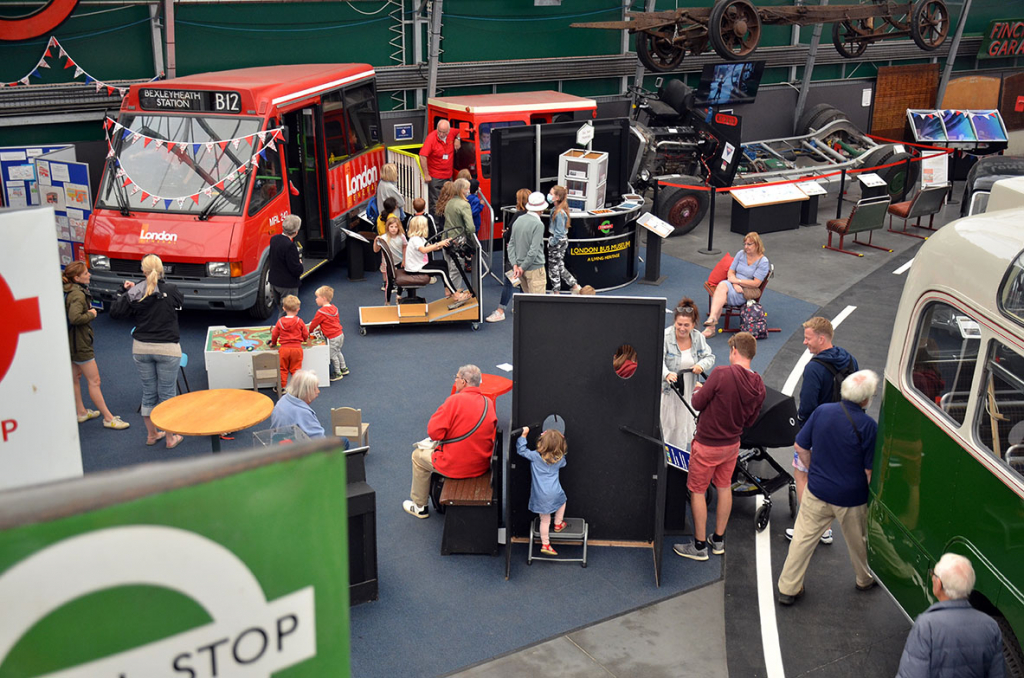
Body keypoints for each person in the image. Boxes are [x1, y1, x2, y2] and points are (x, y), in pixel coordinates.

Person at [777, 370, 880, 605]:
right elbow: (868, 471)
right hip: (850, 497)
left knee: (802, 539)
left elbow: (800, 446)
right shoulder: (868, 426)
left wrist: (813, 470)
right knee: (858, 542)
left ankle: (788, 587)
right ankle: (864, 579)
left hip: (817, 490)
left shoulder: (822, 412)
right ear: (866, 399)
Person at [674, 332, 765, 561]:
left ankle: (699, 545)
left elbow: (697, 402)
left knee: (697, 490)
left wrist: (699, 391)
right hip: (732, 445)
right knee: (724, 487)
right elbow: (751, 421)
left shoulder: (722, 374)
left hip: (707, 444)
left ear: (734, 350)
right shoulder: (758, 384)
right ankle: (718, 539)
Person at [787, 316, 860, 544]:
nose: (804, 343)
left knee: (803, 475)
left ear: (821, 338)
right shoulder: (850, 360)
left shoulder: (814, 368)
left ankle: (808, 527)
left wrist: (802, 432)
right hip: (845, 430)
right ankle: (827, 529)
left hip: (818, 432)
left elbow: (807, 404)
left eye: (808, 338)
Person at [109, 254, 185, 448]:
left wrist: (123, 291)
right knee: (167, 395)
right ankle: (170, 437)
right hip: (168, 349)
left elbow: (116, 312)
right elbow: (179, 302)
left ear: (142, 271)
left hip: (141, 348)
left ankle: (152, 435)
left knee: (149, 394)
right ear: (161, 270)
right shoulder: (171, 289)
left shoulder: (135, 292)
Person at [403, 364, 497, 519]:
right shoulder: (488, 402)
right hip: (481, 464)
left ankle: (419, 506)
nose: (455, 380)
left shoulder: (454, 401)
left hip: (456, 466)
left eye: (457, 378)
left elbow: (433, 432)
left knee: (418, 456)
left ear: (464, 382)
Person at [897, 553, 1005, 678]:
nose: (932, 577)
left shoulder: (926, 626)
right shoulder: (991, 626)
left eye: (934, 575)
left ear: (938, 584)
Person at [62, 262, 129, 431]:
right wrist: (91, 314)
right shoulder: (77, 295)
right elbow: (75, 318)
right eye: (85, 273)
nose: (89, 275)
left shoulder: (67, 290)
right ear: (76, 278)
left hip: (70, 343)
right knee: (94, 381)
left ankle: (82, 412)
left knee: (75, 378)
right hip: (81, 344)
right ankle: (108, 417)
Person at [662, 298, 715, 451]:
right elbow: (658, 359)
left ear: (693, 325)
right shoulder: (666, 337)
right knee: (667, 425)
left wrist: (700, 365)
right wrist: (667, 374)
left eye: (686, 325)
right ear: (674, 323)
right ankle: (664, 458)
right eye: (679, 324)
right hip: (668, 391)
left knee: (682, 425)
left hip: (688, 391)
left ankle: (679, 457)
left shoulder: (698, 337)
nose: (682, 328)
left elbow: (709, 357)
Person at [704, 232, 769, 338]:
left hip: (744, 292)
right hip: (733, 285)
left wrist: (737, 282)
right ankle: (712, 321)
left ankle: (711, 326)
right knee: (722, 285)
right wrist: (734, 284)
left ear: (757, 245)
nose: (746, 247)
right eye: (745, 244)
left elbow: (756, 283)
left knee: (721, 295)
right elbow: (730, 272)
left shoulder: (763, 262)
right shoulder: (741, 254)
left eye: (749, 244)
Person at [516, 426, 568, 556]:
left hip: (541, 495)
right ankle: (558, 523)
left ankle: (545, 544)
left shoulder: (535, 456)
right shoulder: (560, 459)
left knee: (545, 520)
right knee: (563, 501)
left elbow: (521, 451)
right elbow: (564, 463)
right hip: (556, 492)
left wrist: (523, 436)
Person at [486, 188, 531, 323]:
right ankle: (520, 306)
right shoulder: (532, 216)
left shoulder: (518, 215)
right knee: (522, 282)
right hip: (526, 254)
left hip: (515, 256)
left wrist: (505, 233)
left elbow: (508, 235)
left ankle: (500, 311)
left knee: (509, 283)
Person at [508, 192, 548, 295]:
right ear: (541, 209)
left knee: (527, 303)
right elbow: (534, 251)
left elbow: (511, 245)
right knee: (538, 305)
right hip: (534, 269)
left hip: (520, 268)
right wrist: (521, 267)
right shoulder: (538, 224)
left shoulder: (518, 220)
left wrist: (516, 266)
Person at [404, 216, 457, 296]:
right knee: (441, 271)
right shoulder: (415, 239)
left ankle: (447, 289)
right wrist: (439, 244)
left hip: (420, 264)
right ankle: (456, 295)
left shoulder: (420, 238)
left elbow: (431, 247)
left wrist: (444, 242)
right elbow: (424, 250)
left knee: (443, 263)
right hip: (415, 268)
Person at [443, 177, 475, 306]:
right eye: (467, 188)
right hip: (458, 240)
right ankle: (455, 295)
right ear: (462, 189)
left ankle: (450, 290)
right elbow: (470, 227)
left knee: (450, 267)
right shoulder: (464, 205)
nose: (469, 191)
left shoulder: (450, 202)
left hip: (446, 239)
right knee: (457, 268)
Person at [269, 370, 326, 439]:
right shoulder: (303, 412)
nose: (318, 391)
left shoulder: (282, 401)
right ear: (307, 391)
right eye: (315, 388)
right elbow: (319, 439)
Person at [308, 285, 348, 382]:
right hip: (340, 334)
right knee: (338, 351)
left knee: (331, 355)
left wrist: (310, 330)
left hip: (332, 337)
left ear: (324, 298)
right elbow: (332, 322)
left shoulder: (321, 312)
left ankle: (337, 373)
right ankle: (344, 368)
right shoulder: (334, 308)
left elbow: (314, 323)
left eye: (317, 297)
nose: (316, 300)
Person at [546, 185, 582, 294]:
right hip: (560, 241)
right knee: (559, 266)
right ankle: (574, 285)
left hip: (557, 242)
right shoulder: (556, 210)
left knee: (553, 267)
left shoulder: (559, 213)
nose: (549, 195)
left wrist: (552, 242)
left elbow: (559, 232)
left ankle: (556, 292)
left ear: (557, 197)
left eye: (551, 194)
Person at [269, 294, 309, 391]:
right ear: (298, 309)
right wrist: (304, 339)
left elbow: (274, 334)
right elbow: (305, 333)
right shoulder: (300, 321)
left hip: (284, 349)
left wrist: (273, 343)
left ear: (283, 308)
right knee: (296, 369)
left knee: (283, 368)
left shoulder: (280, 322)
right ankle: (297, 388)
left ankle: (282, 387)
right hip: (297, 349)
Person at [419, 119, 460, 210]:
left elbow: (460, 132)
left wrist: (458, 139)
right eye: (439, 131)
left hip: (448, 176)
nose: (441, 134)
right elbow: (422, 156)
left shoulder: (452, 133)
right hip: (435, 177)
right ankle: (436, 223)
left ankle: (445, 222)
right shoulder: (431, 138)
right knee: (436, 202)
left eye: (444, 132)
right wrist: (426, 175)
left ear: (448, 131)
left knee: (449, 200)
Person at [269, 214, 303, 318]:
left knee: (281, 309)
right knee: (288, 312)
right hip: (287, 285)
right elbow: (295, 269)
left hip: (274, 282)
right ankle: (283, 331)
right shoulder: (290, 246)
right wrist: (300, 264)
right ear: (296, 232)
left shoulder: (274, 239)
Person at [373, 215, 408, 293]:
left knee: (399, 272)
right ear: (388, 227)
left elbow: (405, 247)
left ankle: (398, 284)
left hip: (398, 259)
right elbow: (376, 250)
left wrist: (404, 260)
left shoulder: (402, 237)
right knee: (386, 272)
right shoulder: (383, 238)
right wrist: (375, 241)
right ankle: (387, 283)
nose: (393, 229)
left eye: (396, 227)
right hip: (387, 261)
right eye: (391, 226)